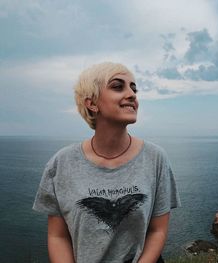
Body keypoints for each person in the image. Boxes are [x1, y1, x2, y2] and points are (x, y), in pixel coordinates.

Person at [33, 62, 181, 263]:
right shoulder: (61, 164)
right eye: (118, 86)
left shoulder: (155, 158)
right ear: (92, 103)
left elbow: (158, 230)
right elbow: (57, 236)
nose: (132, 94)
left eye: (133, 88)